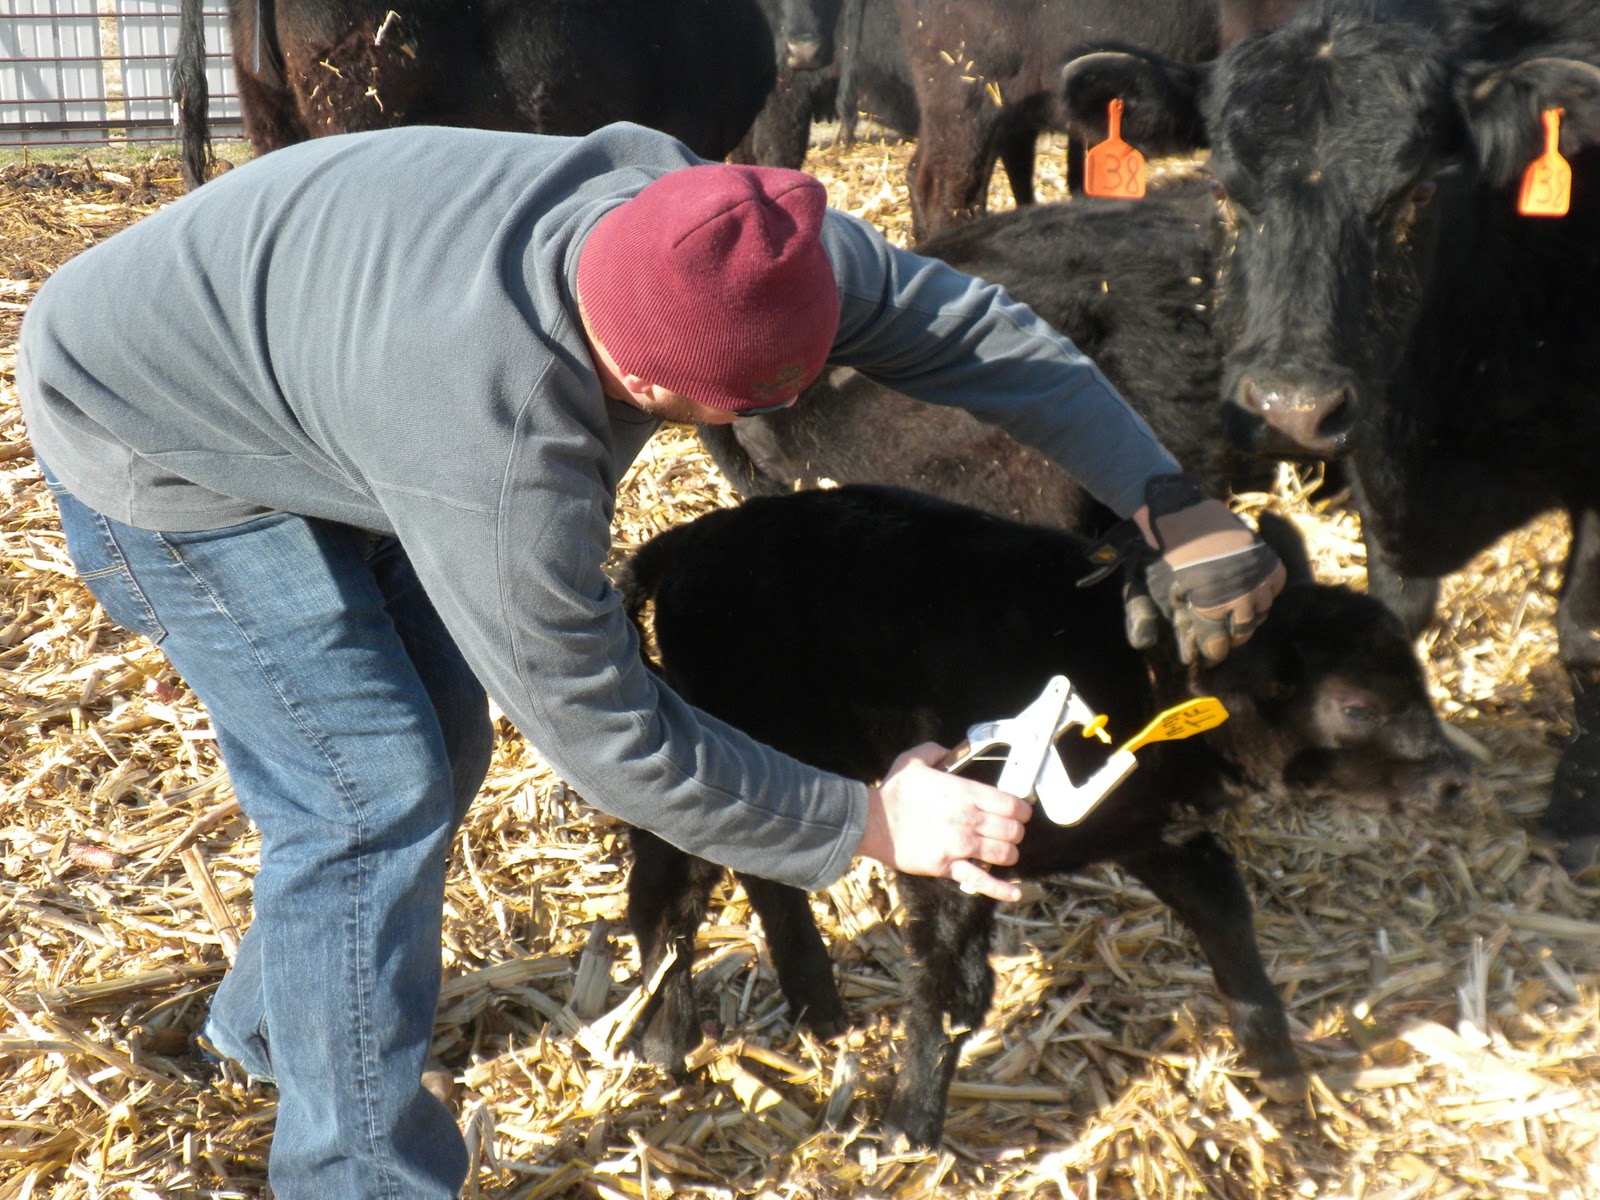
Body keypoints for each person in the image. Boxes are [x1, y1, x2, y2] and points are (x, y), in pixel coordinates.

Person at [18, 121, 1284, 1198]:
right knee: (370, 787)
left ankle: (278, 1027)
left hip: (309, 366)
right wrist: (869, 822)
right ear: (620, 371)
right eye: (694, 416)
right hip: (152, 434)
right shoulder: (495, 439)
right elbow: (607, 732)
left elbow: (975, 334)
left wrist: (1173, 504)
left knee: (440, 745)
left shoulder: (746, 240)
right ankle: (356, 1167)